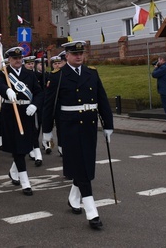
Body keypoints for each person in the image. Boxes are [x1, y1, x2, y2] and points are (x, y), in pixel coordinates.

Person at [42, 40, 113, 231]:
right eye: (75, 54)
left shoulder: (92, 73)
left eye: (81, 53)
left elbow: (102, 99)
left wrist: (108, 124)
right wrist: (47, 130)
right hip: (70, 127)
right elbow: (50, 105)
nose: (79, 56)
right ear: (66, 56)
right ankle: (92, 212)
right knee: (82, 168)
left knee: (85, 164)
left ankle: (74, 198)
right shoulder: (58, 76)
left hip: (89, 126)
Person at [0, 46, 43, 196]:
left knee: (25, 146)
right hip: (11, 113)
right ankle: (25, 182)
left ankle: (13, 171)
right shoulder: (4, 72)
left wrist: (35, 105)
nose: (18, 61)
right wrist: (6, 90)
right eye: (15, 58)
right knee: (18, 147)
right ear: (9, 59)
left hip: (27, 113)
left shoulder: (29, 74)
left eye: (20, 58)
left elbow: (38, 92)